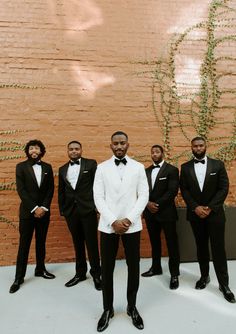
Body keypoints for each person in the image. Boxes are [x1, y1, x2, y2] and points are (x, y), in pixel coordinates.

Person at [93, 131, 149, 332]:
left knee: (133, 267)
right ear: (110, 146)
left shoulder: (138, 167)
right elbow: (98, 198)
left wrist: (128, 219)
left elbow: (143, 196)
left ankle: (131, 307)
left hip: (132, 225)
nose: (119, 146)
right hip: (108, 226)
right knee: (106, 269)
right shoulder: (101, 168)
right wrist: (113, 221)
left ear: (128, 145)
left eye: (122, 143)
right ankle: (107, 309)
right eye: (115, 143)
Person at [180, 136, 235, 303]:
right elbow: (184, 190)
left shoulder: (218, 165)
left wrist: (210, 207)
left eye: (200, 145)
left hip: (215, 214)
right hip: (195, 215)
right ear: (191, 148)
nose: (197, 148)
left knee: (219, 249)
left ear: (205, 146)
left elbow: (223, 187)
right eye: (195, 146)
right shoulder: (185, 167)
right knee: (201, 247)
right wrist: (195, 207)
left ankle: (224, 285)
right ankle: (204, 277)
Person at [9, 139, 55, 294]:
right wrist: (35, 208)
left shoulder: (47, 167)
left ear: (41, 150)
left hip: (44, 212)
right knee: (24, 244)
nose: (34, 151)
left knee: (41, 242)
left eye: (36, 148)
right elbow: (21, 191)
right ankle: (18, 277)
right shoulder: (20, 167)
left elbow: (50, 190)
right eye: (31, 149)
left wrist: (43, 208)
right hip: (28, 213)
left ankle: (40, 269)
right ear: (27, 151)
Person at [58, 141, 101, 290]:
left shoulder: (91, 164)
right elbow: (61, 192)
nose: (74, 151)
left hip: (88, 210)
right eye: (71, 149)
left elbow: (98, 186)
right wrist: (63, 210)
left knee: (92, 244)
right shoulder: (62, 169)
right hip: (71, 212)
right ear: (67, 151)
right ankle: (80, 273)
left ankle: (96, 274)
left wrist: (96, 207)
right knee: (77, 243)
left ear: (81, 150)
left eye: (77, 149)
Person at [142, 145, 180, 289]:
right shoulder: (145, 171)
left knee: (172, 244)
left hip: (166, 213)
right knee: (154, 242)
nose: (154, 154)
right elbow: (141, 190)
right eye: (152, 152)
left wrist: (155, 204)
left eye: (157, 152)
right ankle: (156, 268)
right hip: (150, 214)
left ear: (162, 153)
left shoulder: (172, 170)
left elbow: (172, 191)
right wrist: (147, 204)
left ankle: (174, 274)